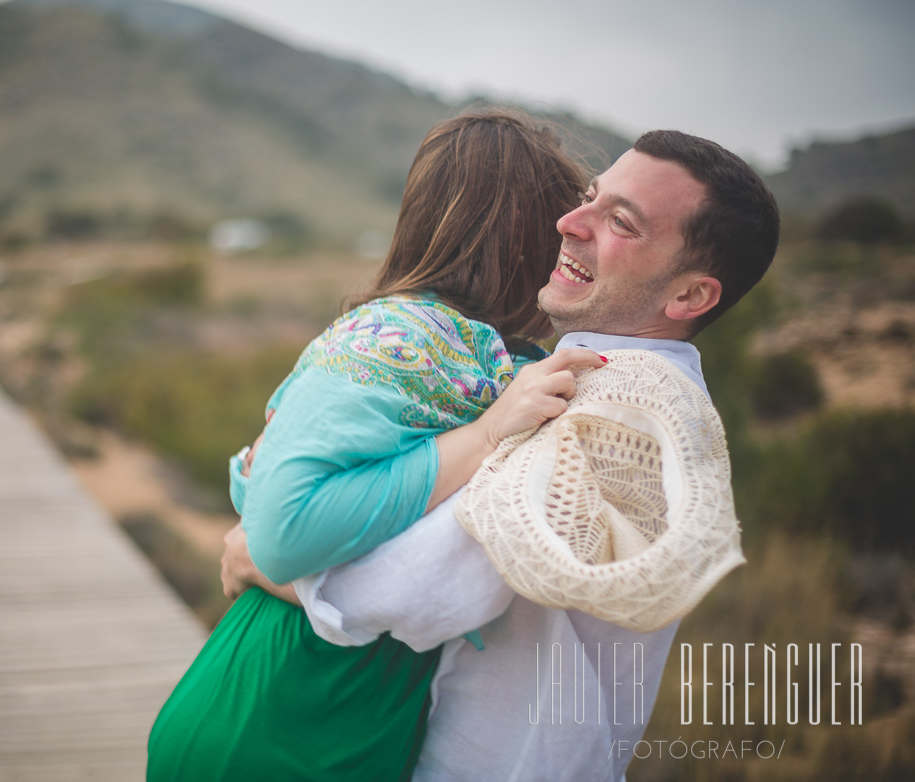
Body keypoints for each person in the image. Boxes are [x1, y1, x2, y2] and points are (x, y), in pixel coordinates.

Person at [224, 129, 781, 780]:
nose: (569, 224)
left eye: (619, 222)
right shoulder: (587, 379)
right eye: (588, 199)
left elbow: (418, 586)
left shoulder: (620, 412)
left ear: (688, 296)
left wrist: (260, 554)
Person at [146, 108, 605, 780]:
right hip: (284, 724)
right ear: (513, 235)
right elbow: (284, 523)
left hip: (340, 717)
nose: (574, 249)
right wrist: (481, 436)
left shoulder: (502, 363)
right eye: (563, 229)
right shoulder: (405, 338)